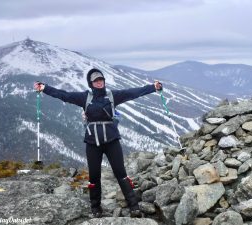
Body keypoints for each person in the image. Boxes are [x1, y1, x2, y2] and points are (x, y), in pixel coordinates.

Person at [34, 68, 162, 218]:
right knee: (94, 176)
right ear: (91, 83)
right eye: (95, 80)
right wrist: (45, 88)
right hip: (92, 143)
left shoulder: (112, 96)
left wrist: (153, 87)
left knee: (121, 173)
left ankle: (134, 206)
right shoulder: (84, 98)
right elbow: (64, 95)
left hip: (112, 141)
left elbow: (133, 92)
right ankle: (96, 208)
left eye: (101, 79)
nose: (99, 82)